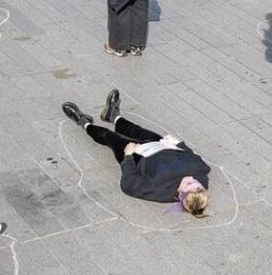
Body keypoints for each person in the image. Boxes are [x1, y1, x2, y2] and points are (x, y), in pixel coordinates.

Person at [61, 90, 211, 212]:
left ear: (180, 194)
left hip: (138, 156)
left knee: (110, 138)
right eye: (196, 182)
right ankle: (113, 116)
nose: (191, 178)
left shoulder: (160, 191)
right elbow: (192, 158)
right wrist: (178, 144)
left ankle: (84, 122)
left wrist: (128, 156)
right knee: (134, 130)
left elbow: (129, 185)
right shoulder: (201, 178)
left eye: (188, 183)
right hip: (162, 146)